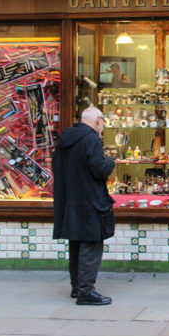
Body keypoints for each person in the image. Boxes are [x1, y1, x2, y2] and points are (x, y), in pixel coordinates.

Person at [52, 105, 115, 306]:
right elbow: (98, 169)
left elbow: (55, 167)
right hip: (90, 201)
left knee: (76, 244)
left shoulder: (65, 139)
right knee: (91, 244)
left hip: (70, 199)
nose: (103, 124)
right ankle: (86, 292)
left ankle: (77, 287)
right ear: (97, 120)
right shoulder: (92, 139)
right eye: (103, 121)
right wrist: (111, 162)